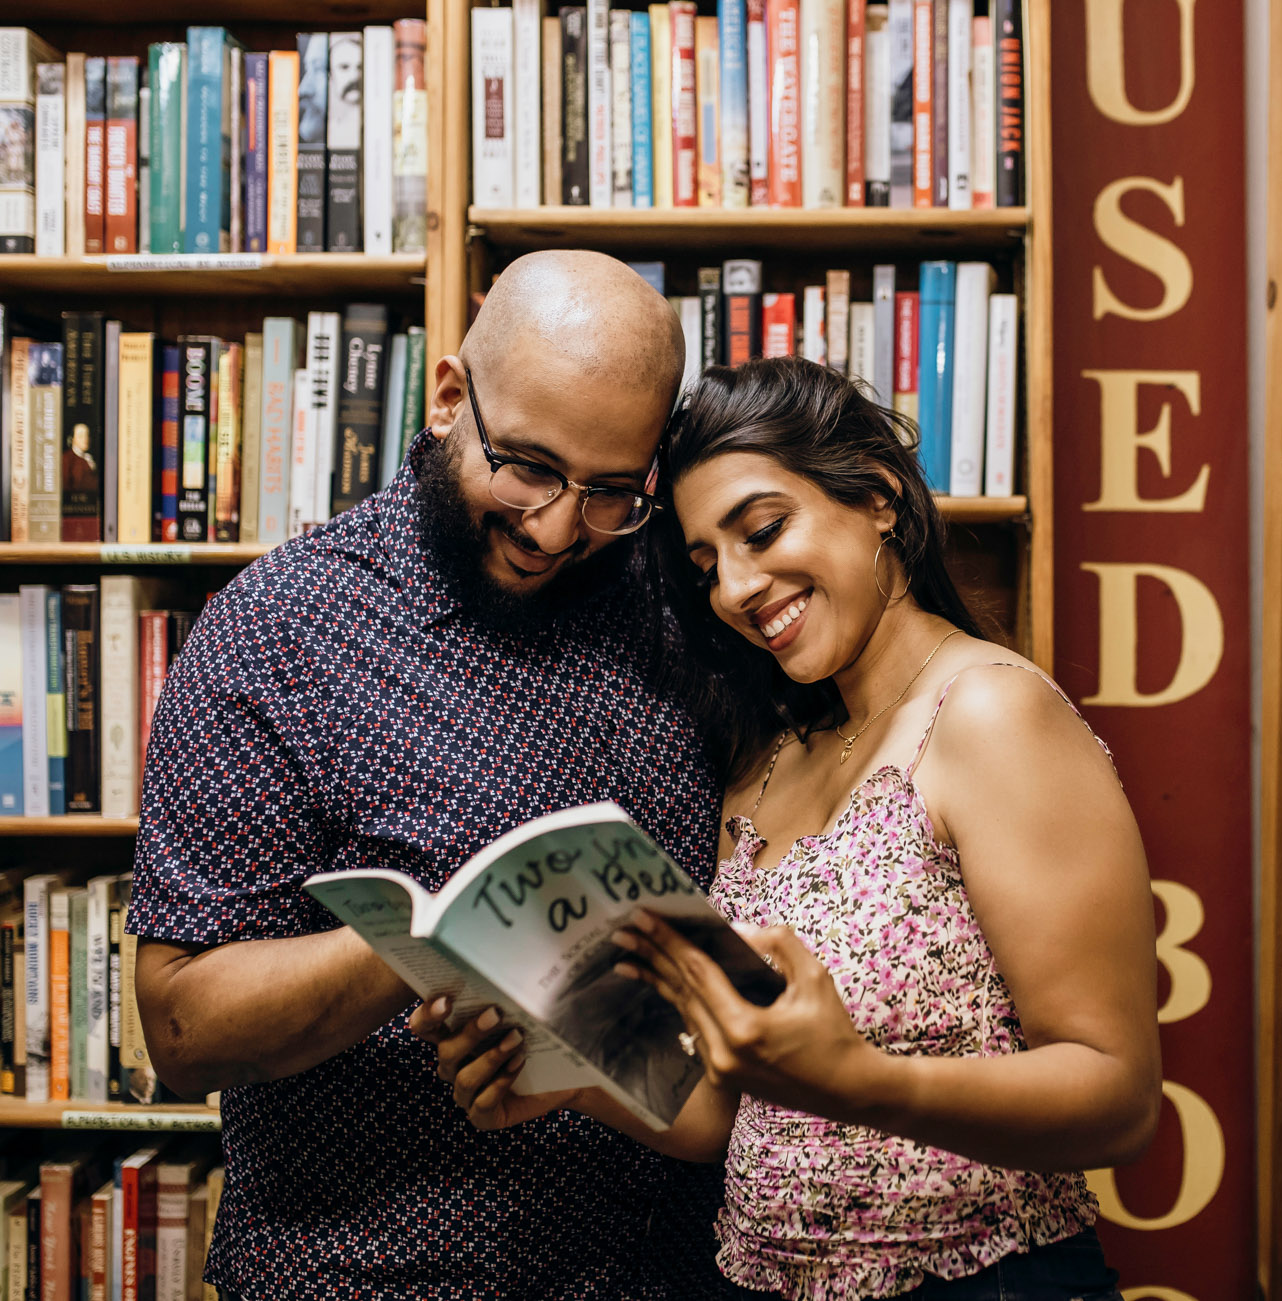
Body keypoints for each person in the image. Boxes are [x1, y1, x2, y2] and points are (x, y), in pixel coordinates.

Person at [421, 358, 1161, 1301]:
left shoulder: (989, 715)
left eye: (763, 530)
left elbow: (1119, 1096)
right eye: (705, 567)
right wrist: (567, 1082)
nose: (735, 587)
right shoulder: (764, 761)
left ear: (879, 496)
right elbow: (732, 1114)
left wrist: (861, 1080)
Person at [128, 251, 740, 1300]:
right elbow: (183, 1025)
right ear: (450, 395)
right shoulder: (281, 634)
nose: (555, 530)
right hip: (373, 1276)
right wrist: (432, 941)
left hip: (673, 1271)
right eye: (529, 467)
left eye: (606, 491)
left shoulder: (687, 602)